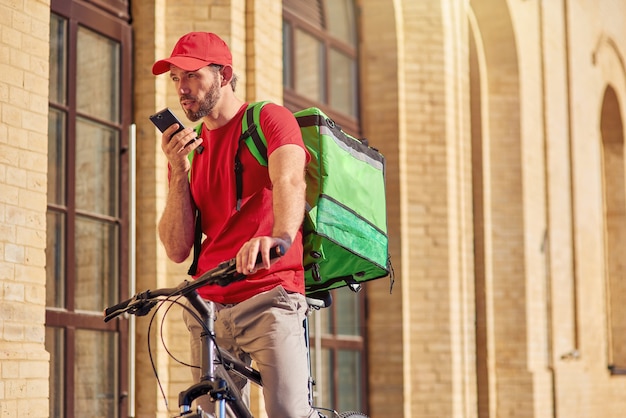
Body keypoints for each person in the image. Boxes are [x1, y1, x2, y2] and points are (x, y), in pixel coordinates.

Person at [152, 32, 316, 417]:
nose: (182, 89)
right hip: (209, 307)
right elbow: (177, 249)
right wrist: (178, 171)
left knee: (288, 413)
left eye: (192, 76)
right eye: (176, 78)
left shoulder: (269, 119)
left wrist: (279, 238)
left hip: (269, 294)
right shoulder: (192, 152)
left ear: (224, 75)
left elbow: (291, 179)